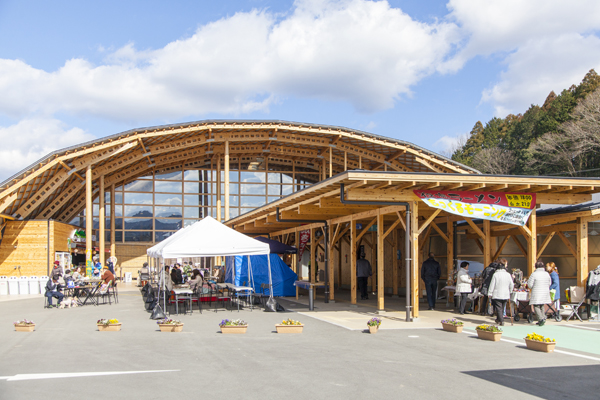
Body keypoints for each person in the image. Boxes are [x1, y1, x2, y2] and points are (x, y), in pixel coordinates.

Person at [487, 261, 514, 326]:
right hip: (505, 294)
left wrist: (490, 293)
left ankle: (501, 320)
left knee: (499, 308)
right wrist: (510, 291)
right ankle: (499, 319)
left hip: (497, 293)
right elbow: (511, 284)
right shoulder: (508, 274)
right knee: (502, 307)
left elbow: (492, 284)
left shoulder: (495, 274)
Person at [528, 260, 552, 326]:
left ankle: (541, 319)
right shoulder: (546, 274)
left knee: (536, 306)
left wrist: (533, 287)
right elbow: (549, 283)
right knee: (541, 305)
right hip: (545, 292)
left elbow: (529, 284)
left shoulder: (534, 274)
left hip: (537, 292)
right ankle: (543, 318)